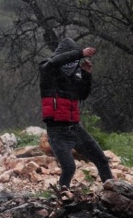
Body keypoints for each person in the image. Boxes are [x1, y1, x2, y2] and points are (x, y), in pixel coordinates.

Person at [39, 38, 113, 190]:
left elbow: (82, 95)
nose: (72, 65)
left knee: (102, 160)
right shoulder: (48, 69)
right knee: (69, 168)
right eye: (71, 58)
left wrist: (86, 74)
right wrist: (80, 53)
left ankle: (114, 193)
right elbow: (56, 62)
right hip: (57, 131)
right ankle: (62, 196)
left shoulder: (74, 75)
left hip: (75, 128)